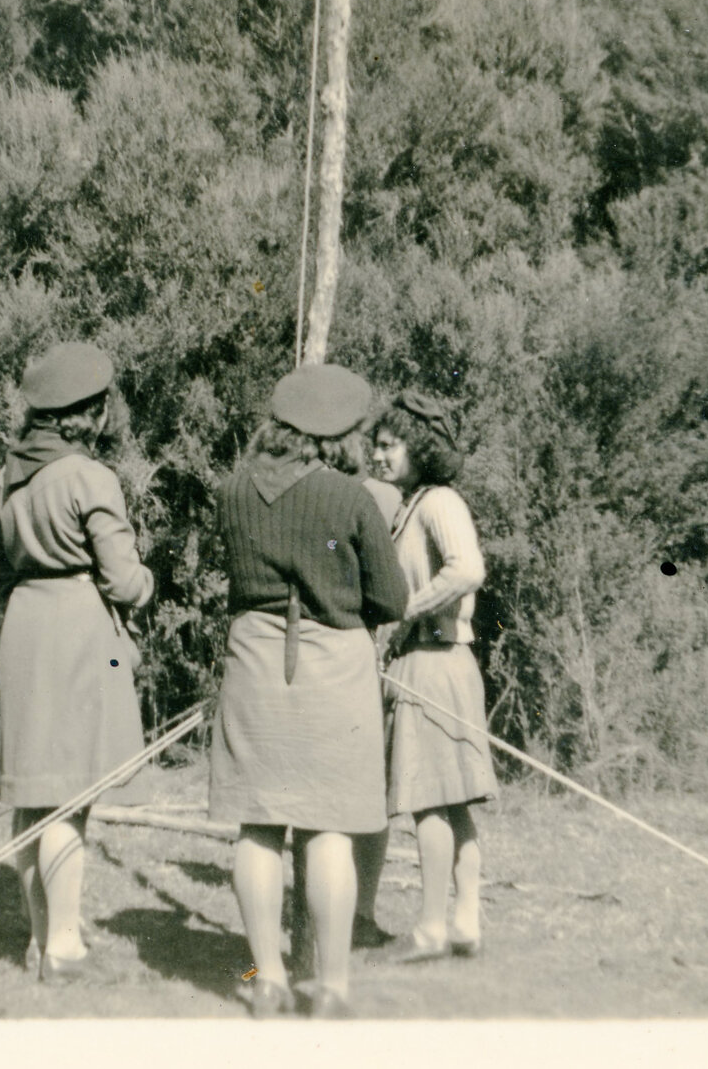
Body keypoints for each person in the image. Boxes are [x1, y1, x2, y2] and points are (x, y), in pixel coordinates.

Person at [210, 364, 409, 1018]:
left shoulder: (231, 490)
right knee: (328, 827)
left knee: (258, 824)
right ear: (336, 436)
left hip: (252, 662)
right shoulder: (351, 499)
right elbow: (390, 598)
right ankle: (330, 988)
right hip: (333, 666)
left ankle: (266, 979)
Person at [0, 341, 154, 983]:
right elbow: (124, 580)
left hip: (22, 628)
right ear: (91, 411)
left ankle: (39, 941)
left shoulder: (5, 477)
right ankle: (65, 949)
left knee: (31, 799)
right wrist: (149, 587)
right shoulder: (89, 476)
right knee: (69, 799)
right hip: (77, 631)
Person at [368, 390, 497, 963]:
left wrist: (408, 608)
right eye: (375, 446)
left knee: (431, 802)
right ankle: (464, 922)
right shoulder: (412, 503)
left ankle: (431, 928)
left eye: (388, 446)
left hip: (436, 661)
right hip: (435, 660)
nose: (377, 456)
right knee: (454, 802)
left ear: (417, 448)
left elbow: (468, 569)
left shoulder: (439, 500)